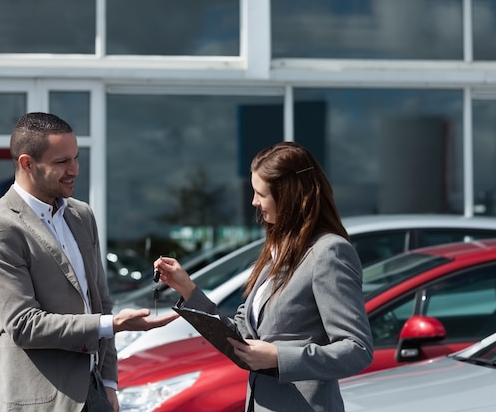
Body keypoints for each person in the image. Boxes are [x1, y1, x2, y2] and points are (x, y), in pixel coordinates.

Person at [0, 112, 177, 412]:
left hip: (95, 392)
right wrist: (113, 325)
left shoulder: (81, 215)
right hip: (42, 402)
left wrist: (108, 382)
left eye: (75, 158)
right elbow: (23, 325)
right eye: (61, 162)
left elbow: (100, 302)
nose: (74, 169)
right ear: (27, 163)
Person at [154, 141, 373, 412]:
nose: (254, 202)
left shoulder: (329, 252)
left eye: (261, 193)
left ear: (290, 197)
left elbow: (357, 350)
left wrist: (280, 358)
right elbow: (241, 339)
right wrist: (187, 289)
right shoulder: (278, 250)